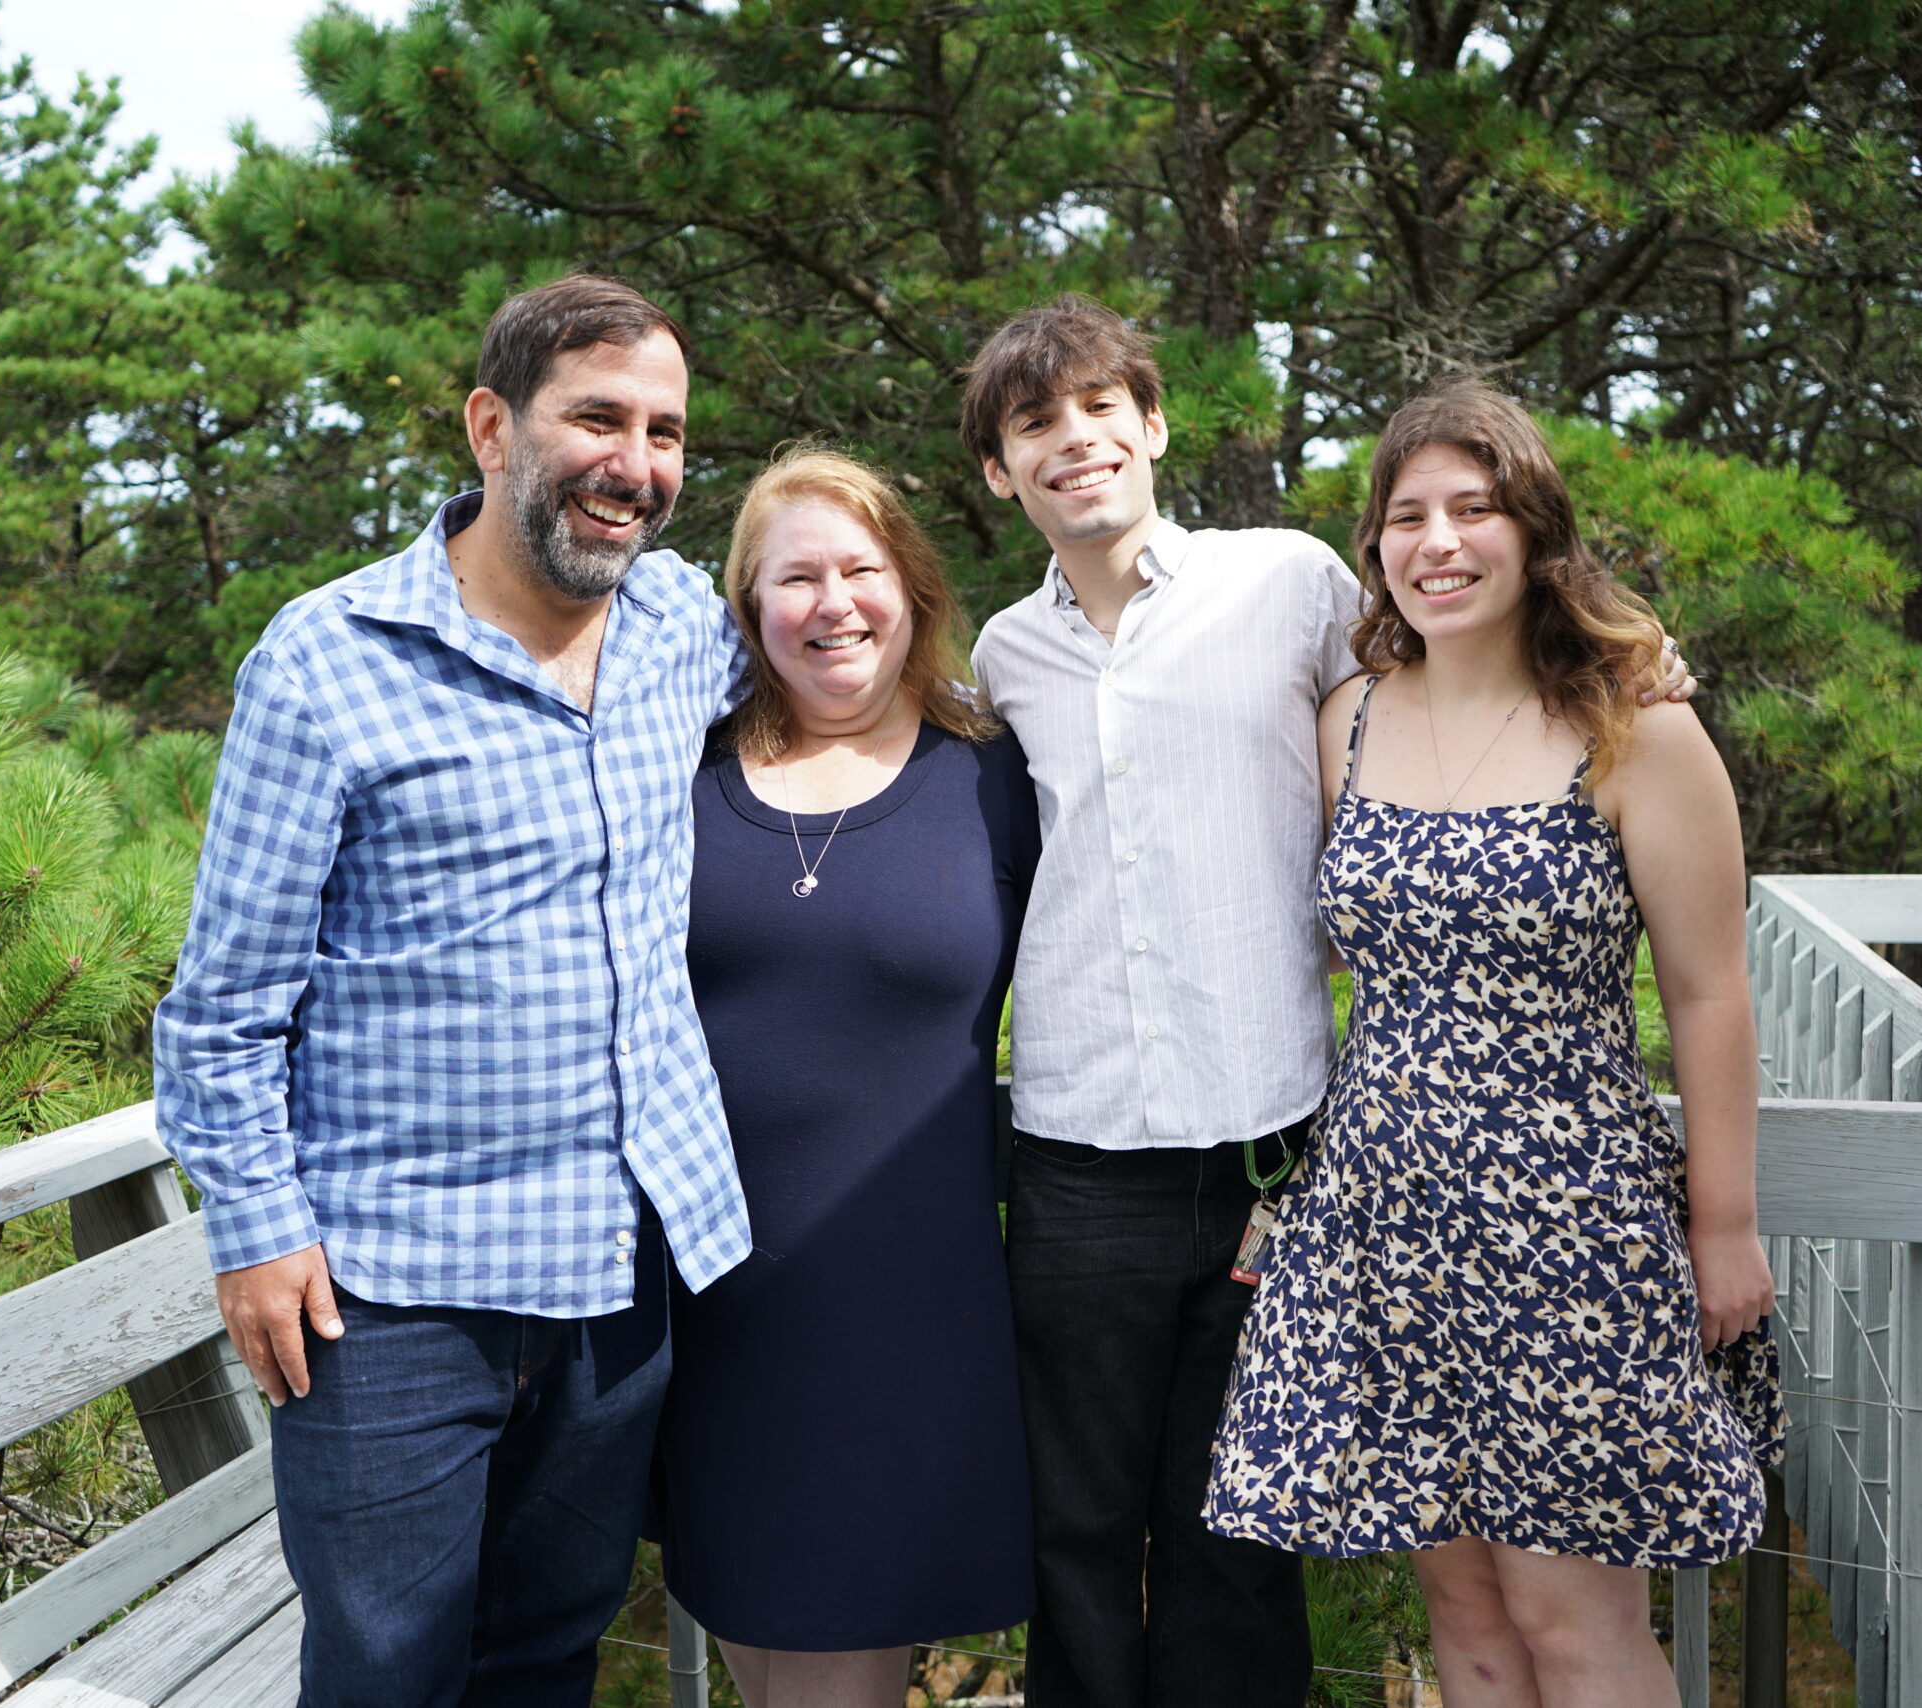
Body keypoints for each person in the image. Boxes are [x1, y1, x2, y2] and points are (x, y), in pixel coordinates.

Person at [959, 299, 1698, 1708]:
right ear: (1000, 471)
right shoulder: (1003, 661)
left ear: (1155, 424)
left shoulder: (1288, 583)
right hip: (1077, 1157)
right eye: (1033, 423)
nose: (1075, 441)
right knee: (1077, 1537)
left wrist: (1613, 661)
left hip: (1279, 1157)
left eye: (1101, 407)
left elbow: (1442, 704)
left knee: (1244, 1534)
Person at [154, 275, 754, 1708]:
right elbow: (221, 1008)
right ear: (492, 426)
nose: (638, 466)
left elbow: (848, 681)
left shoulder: (679, 626)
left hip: (622, 1275)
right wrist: (254, 1235)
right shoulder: (327, 661)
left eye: (666, 433)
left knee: (545, 1657)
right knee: (388, 1676)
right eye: (597, 419)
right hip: (392, 1301)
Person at [1201, 379, 1783, 1708]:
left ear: (1535, 535)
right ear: (1375, 552)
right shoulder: (1345, 722)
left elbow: (1708, 994)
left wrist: (1726, 1221)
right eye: (1406, 517)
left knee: (1570, 1621)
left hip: (1572, 1231)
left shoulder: (1643, 731)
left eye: (1474, 509)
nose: (1438, 542)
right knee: (1463, 1618)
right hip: (1380, 1227)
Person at [653, 446, 1039, 1708]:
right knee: (764, 1659)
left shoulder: (996, 771)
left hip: (898, 1315)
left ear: (913, 588)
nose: (833, 603)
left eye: (861, 569)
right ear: (749, 608)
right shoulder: (682, 771)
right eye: (794, 577)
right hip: (706, 1309)